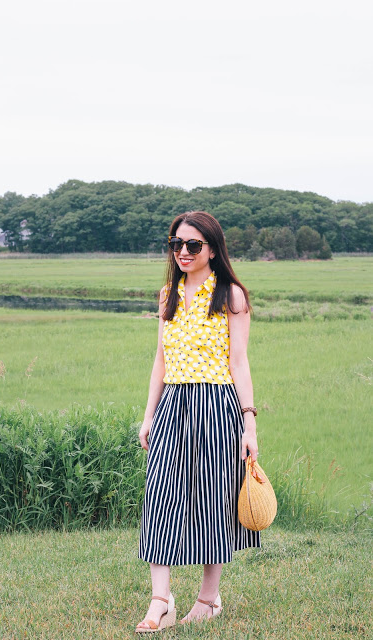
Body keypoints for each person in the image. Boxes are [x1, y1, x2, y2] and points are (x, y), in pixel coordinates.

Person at [135, 210, 261, 633]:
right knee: (161, 498)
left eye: (193, 245)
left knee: (213, 501)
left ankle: (209, 598)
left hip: (216, 404)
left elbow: (239, 362)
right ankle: (160, 600)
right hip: (172, 404)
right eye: (176, 244)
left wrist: (249, 424)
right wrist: (149, 414)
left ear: (212, 248)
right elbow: (161, 358)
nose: (183, 252)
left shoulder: (231, 295)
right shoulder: (167, 292)